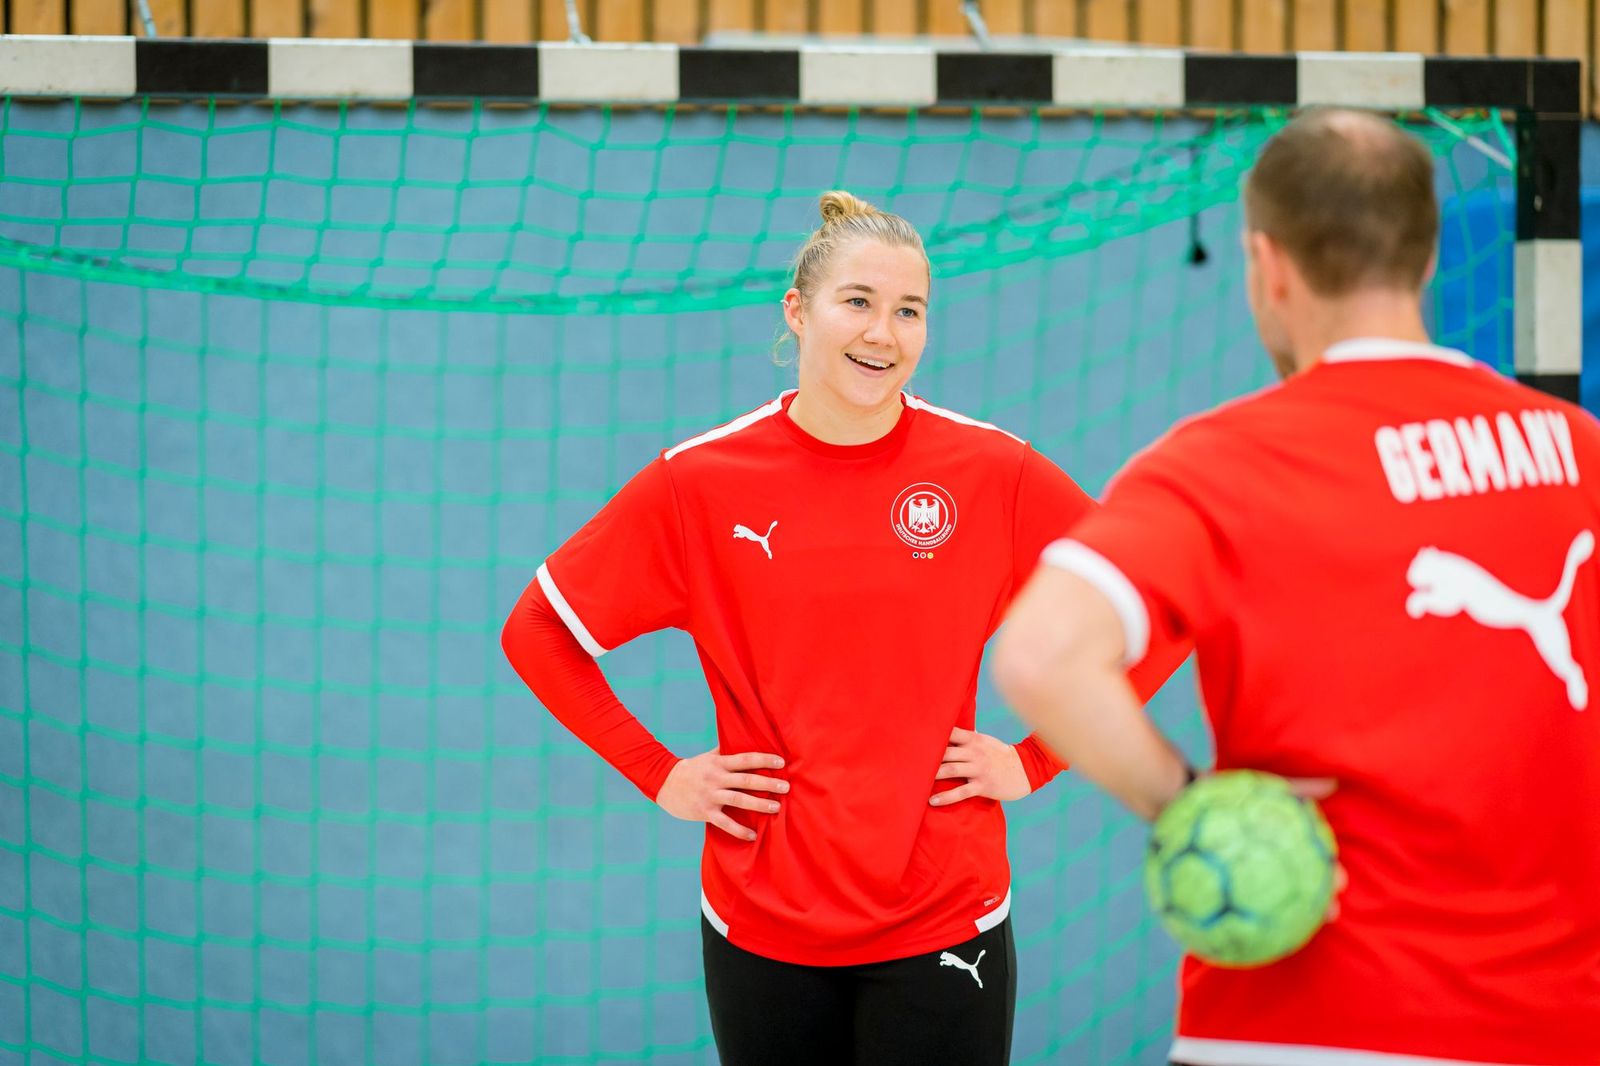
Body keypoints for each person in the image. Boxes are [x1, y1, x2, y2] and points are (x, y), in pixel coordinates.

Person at [501, 190, 1181, 1064]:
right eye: (857, 301)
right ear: (798, 310)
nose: (883, 334)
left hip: (945, 913)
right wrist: (660, 774)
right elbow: (539, 631)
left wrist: (1039, 758)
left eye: (909, 311)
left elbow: (1159, 607)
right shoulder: (698, 482)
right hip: (761, 919)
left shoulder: (990, 471)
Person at [993, 108, 1600, 1066]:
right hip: (1552, 1029)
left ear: (1268, 265)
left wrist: (1187, 801)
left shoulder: (1220, 464)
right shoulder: (1579, 448)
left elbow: (1040, 654)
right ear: (1426, 257)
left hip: (1298, 1026)